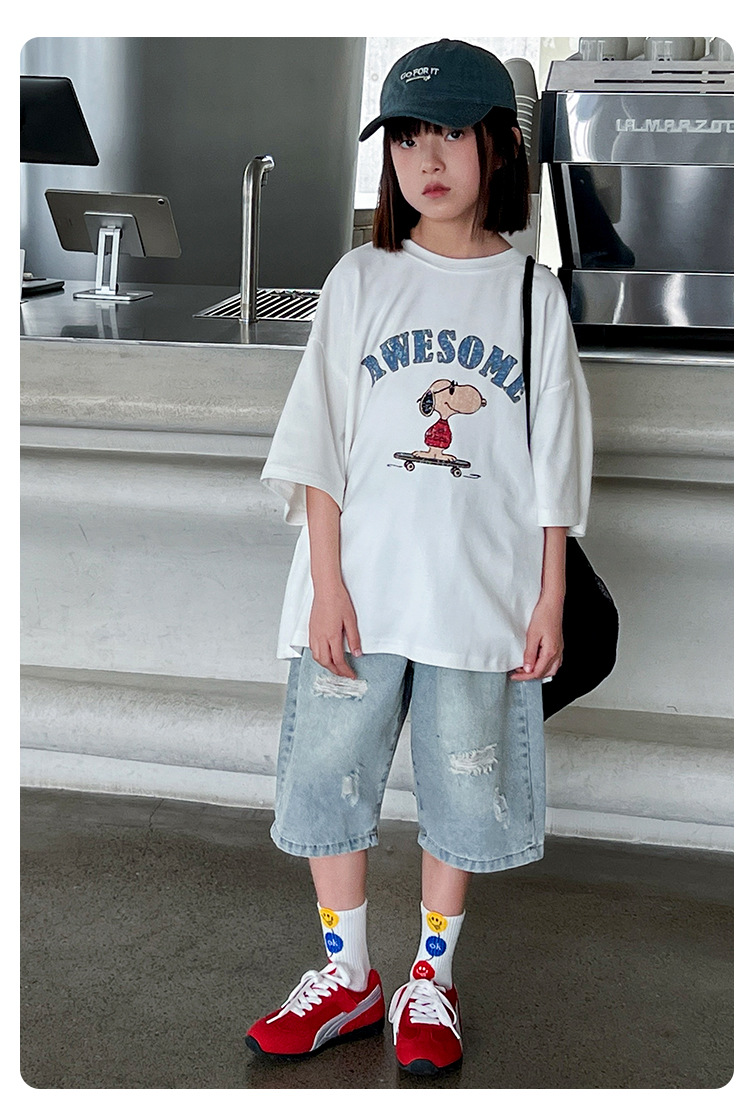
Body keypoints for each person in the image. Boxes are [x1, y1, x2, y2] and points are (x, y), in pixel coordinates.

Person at [245, 38, 592, 1076]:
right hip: (356, 594)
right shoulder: (362, 278)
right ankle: (348, 976)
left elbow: (555, 467)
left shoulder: (532, 296)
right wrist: (326, 583)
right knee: (329, 778)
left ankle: (430, 981)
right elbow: (318, 444)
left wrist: (549, 599)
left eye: (448, 134)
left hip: (480, 600)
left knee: (464, 788)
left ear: (498, 147)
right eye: (404, 139)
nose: (425, 160)